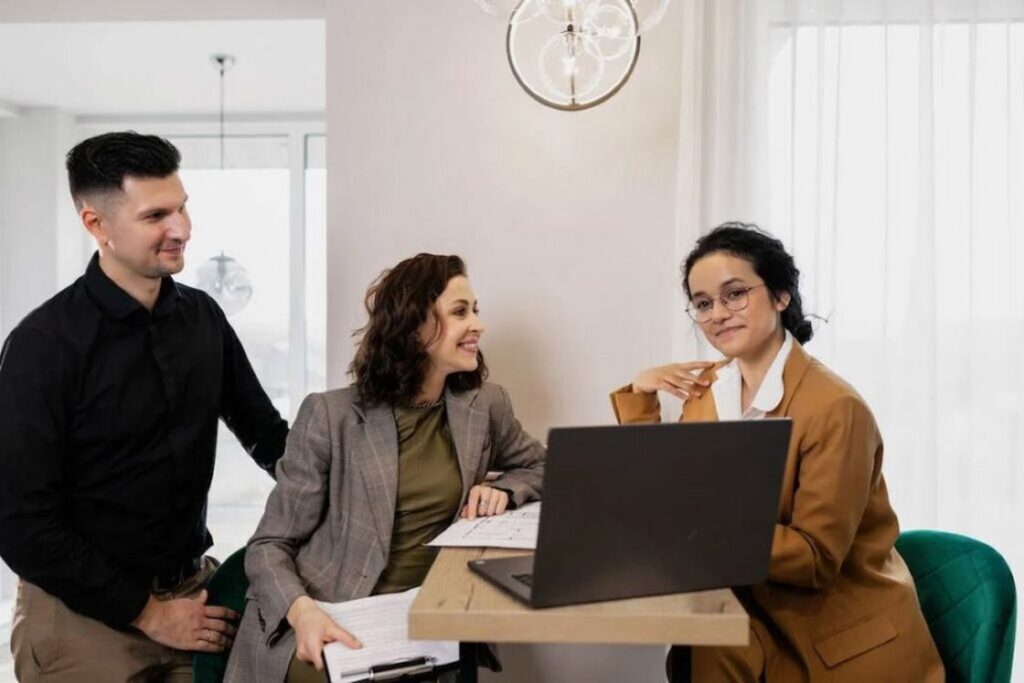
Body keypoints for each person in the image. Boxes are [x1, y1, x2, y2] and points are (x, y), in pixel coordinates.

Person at [0, 131, 289, 682]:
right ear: (96, 225)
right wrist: (149, 614)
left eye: (182, 208)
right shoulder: (43, 345)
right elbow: (20, 525)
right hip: (81, 623)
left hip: (191, 602)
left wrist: (367, 486)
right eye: (156, 215)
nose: (181, 229)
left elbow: (269, 438)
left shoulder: (203, 318)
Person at [611, 223, 944, 682]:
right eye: (703, 303)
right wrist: (642, 395)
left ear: (782, 295)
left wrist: (697, 531)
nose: (717, 314)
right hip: (746, 622)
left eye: (735, 294)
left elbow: (813, 557)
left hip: (834, 644)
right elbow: (665, 492)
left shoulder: (836, 408)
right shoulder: (708, 391)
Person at [225, 253, 546, 683]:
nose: (478, 325)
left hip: (424, 621)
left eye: (475, 310)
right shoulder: (329, 415)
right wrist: (302, 613)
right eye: (459, 312)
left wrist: (506, 489)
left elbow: (543, 466)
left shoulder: (485, 405)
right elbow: (269, 545)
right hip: (327, 613)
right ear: (415, 327)